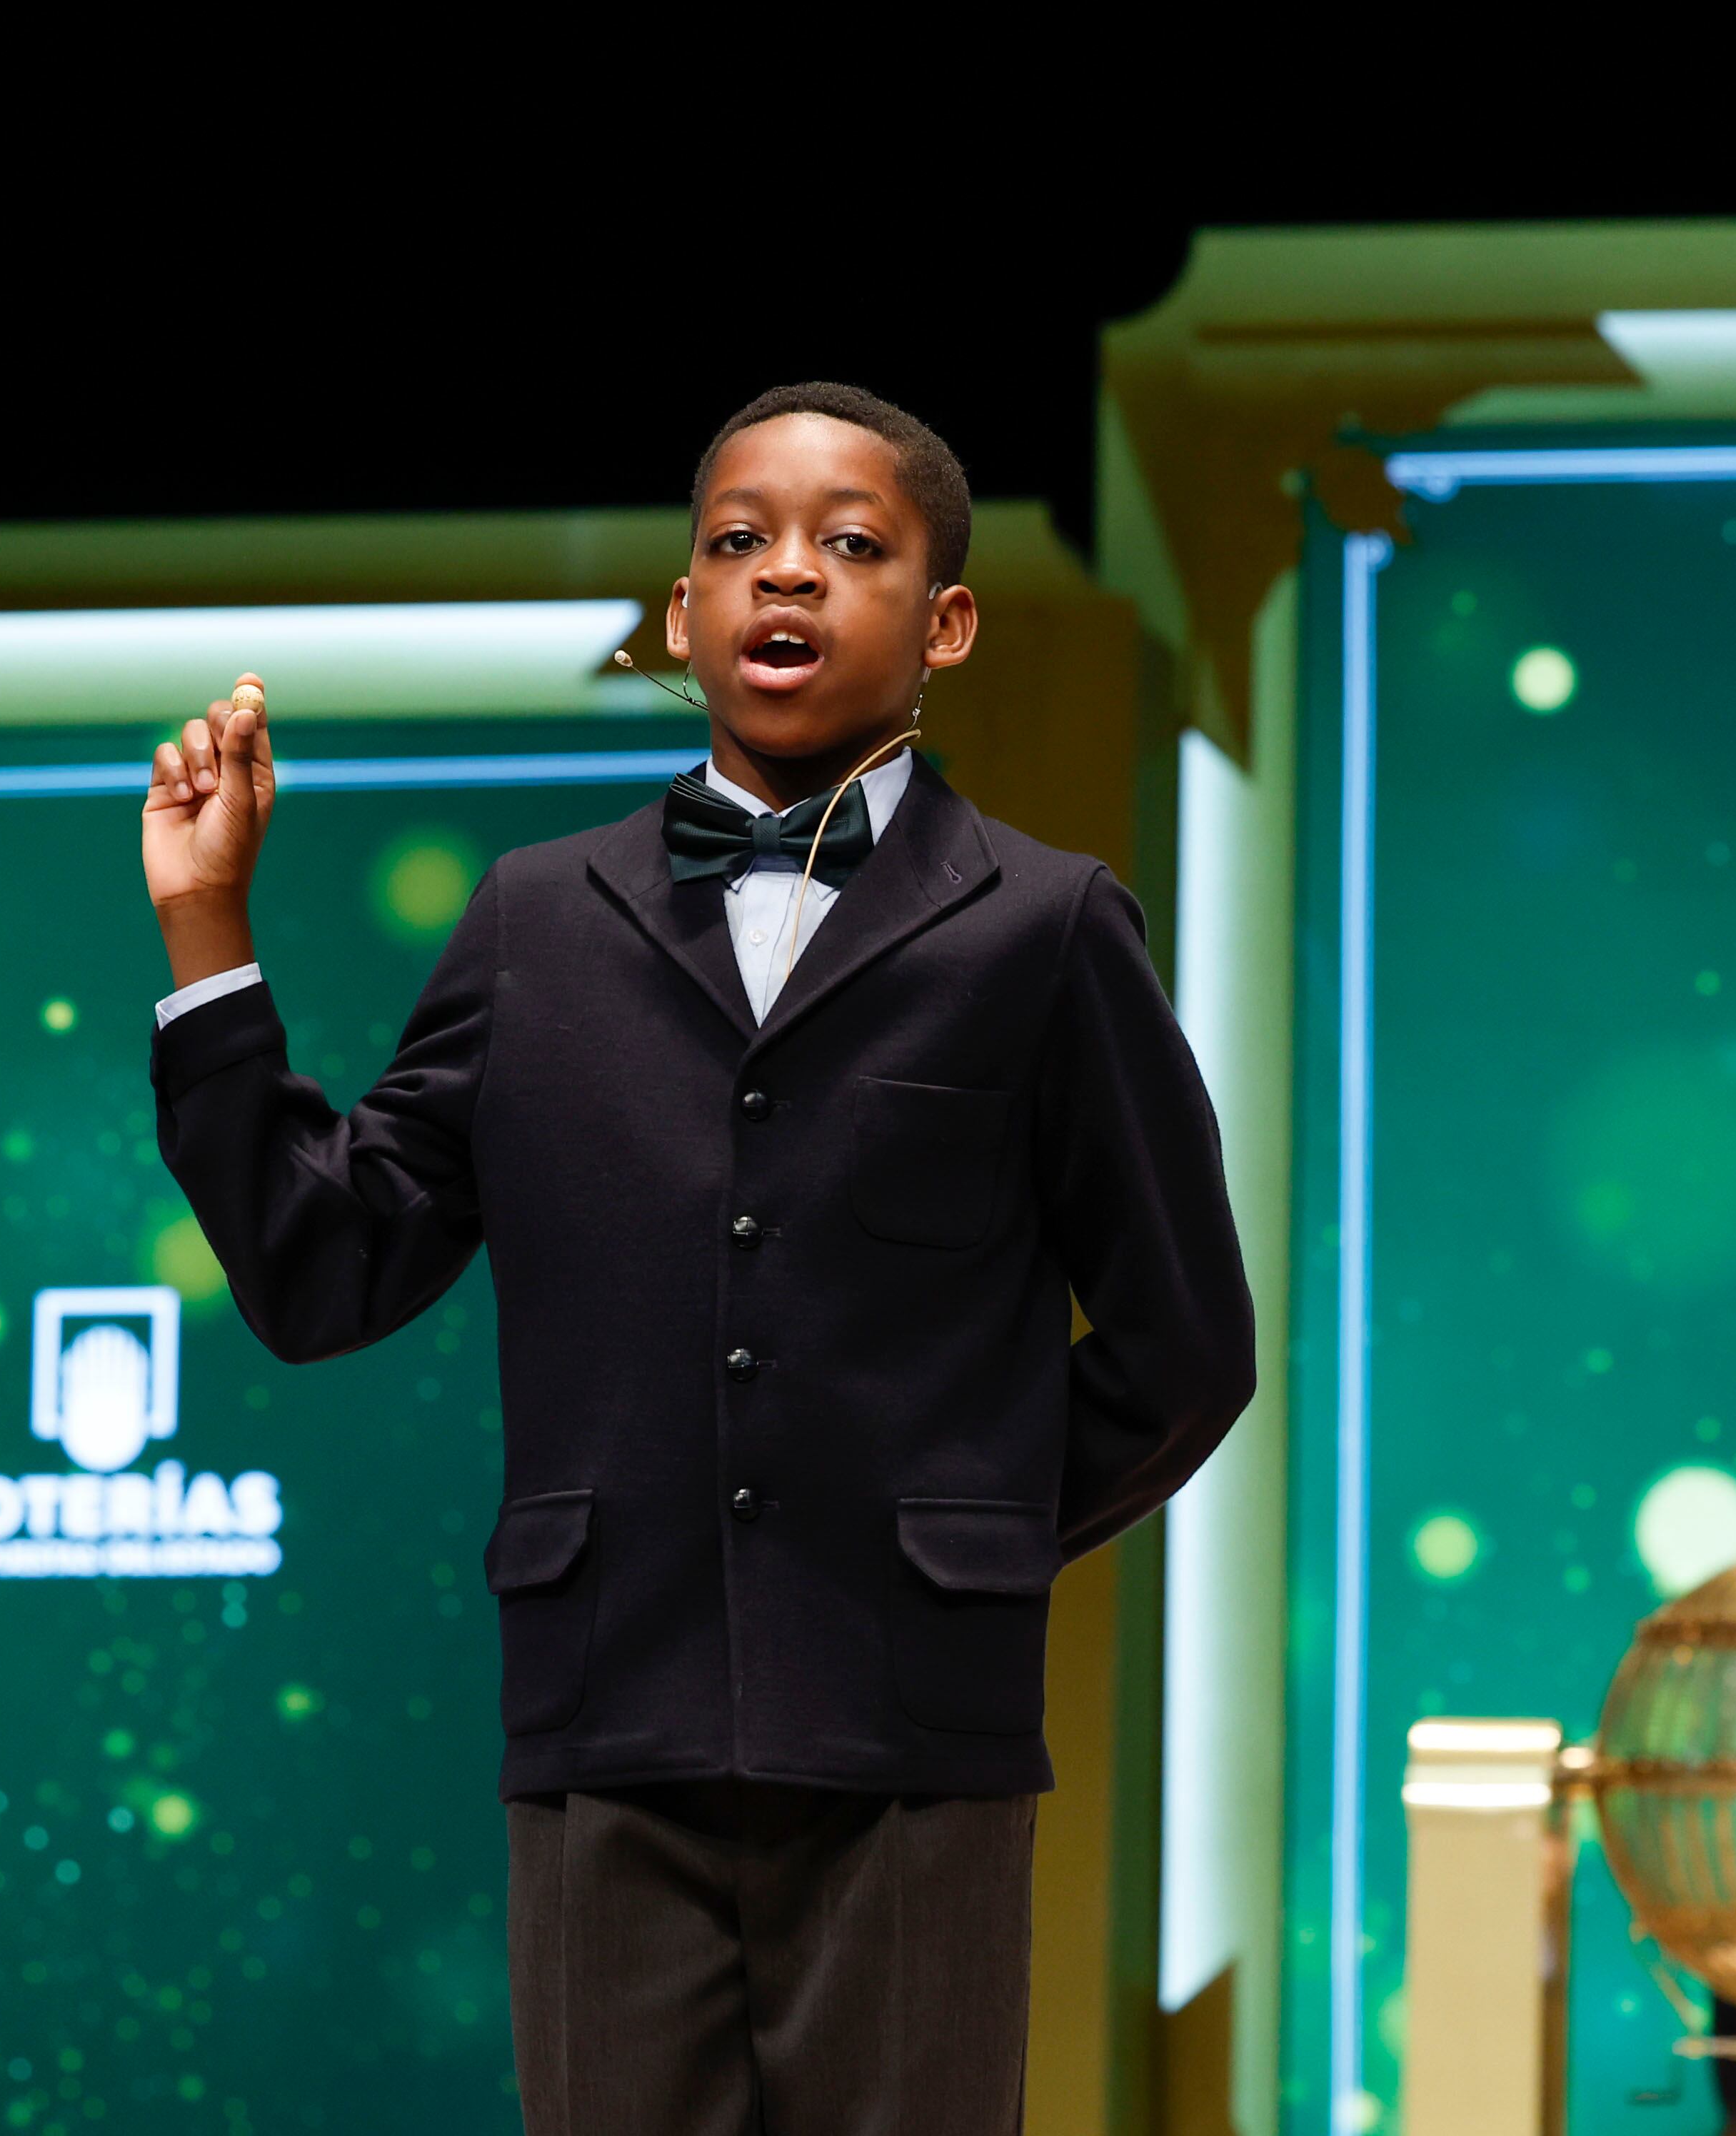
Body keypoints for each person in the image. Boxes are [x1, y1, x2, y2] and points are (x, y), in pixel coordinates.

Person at [140, 383, 1255, 2135]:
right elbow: (323, 1270)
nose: (782, 577)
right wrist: (209, 931)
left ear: (945, 621)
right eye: (736, 543)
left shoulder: (1045, 927)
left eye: (850, 545)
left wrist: (949, 1536)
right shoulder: (533, 921)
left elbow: (1187, 1343)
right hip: (610, 1738)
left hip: (914, 1759)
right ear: (682, 614)